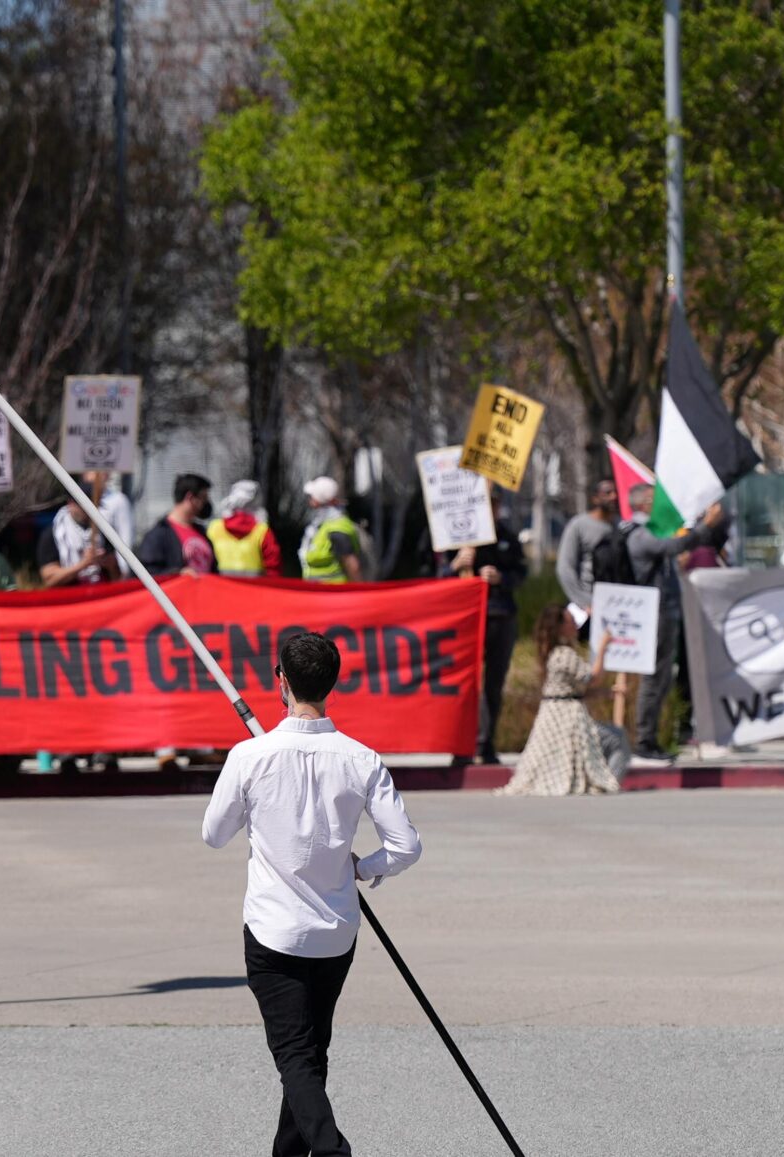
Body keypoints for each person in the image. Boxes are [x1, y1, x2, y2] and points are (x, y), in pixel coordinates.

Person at [201, 632, 422, 1157]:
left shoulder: (250, 755)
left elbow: (213, 834)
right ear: (333, 684)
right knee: (310, 1053)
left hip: (274, 933)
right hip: (335, 932)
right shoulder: (361, 758)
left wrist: (257, 807)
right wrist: (365, 867)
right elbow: (406, 846)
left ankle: (331, 1151)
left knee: (298, 1058)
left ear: (280, 681)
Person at [621, 485, 725, 761]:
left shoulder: (652, 532)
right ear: (643, 505)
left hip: (664, 612)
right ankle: (644, 741)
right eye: (654, 501)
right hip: (652, 613)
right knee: (653, 678)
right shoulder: (640, 534)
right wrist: (704, 527)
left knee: (663, 678)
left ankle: (651, 738)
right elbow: (676, 545)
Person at [501, 606, 626, 795]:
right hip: (566, 718)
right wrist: (603, 648)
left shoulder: (555, 654)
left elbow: (570, 689)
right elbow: (592, 678)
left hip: (555, 715)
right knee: (617, 739)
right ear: (560, 627)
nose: (575, 624)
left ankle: (601, 779)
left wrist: (605, 693)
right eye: (570, 621)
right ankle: (609, 782)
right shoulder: (563, 655)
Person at [442, 496, 526, 765]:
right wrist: (455, 565)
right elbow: (435, 577)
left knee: (494, 684)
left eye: (493, 504)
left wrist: (502, 578)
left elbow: (521, 573)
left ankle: (486, 744)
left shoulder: (508, 537)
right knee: (465, 684)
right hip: (466, 619)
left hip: (500, 616)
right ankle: (462, 745)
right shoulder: (454, 537)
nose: (491, 509)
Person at [556, 479, 619, 621]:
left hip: (616, 605)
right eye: (608, 493)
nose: (613, 497)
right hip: (588, 608)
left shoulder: (620, 526)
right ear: (595, 498)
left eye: (615, 492)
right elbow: (565, 569)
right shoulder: (578, 526)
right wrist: (585, 602)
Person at [137, 473, 217, 577]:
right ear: (190, 497)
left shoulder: (201, 532)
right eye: (203, 498)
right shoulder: (158, 535)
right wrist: (176, 574)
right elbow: (147, 573)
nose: (205, 503)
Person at [209, 480, 282, 578]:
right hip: (253, 589)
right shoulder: (262, 530)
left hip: (220, 588)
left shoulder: (214, 528)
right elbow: (273, 566)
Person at [299, 476, 364, 583]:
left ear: (318, 501)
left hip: (334, 595)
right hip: (318, 594)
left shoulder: (337, 529)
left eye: (312, 497)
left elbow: (353, 566)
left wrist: (360, 595)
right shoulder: (323, 524)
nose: (309, 501)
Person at [52, 495, 123, 586]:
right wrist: (84, 564)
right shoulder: (58, 533)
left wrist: (110, 564)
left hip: (102, 593)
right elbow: (51, 579)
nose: (89, 512)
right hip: (74, 595)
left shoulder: (105, 531)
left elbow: (118, 579)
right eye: (85, 507)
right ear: (71, 504)